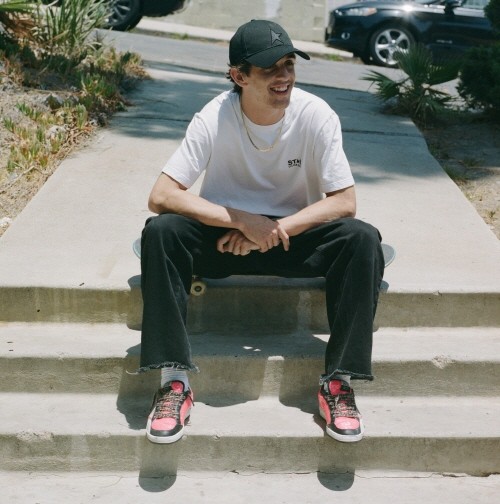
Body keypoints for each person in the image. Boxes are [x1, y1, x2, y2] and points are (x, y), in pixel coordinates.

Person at [139, 19, 385, 445]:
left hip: (292, 238)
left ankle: (339, 383)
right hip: (224, 239)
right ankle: (173, 382)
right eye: (270, 68)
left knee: (362, 239)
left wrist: (271, 229)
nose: (283, 76)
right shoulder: (214, 116)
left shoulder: (316, 114)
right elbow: (161, 195)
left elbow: (344, 202)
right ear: (239, 76)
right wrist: (241, 220)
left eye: (289, 64)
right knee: (161, 232)